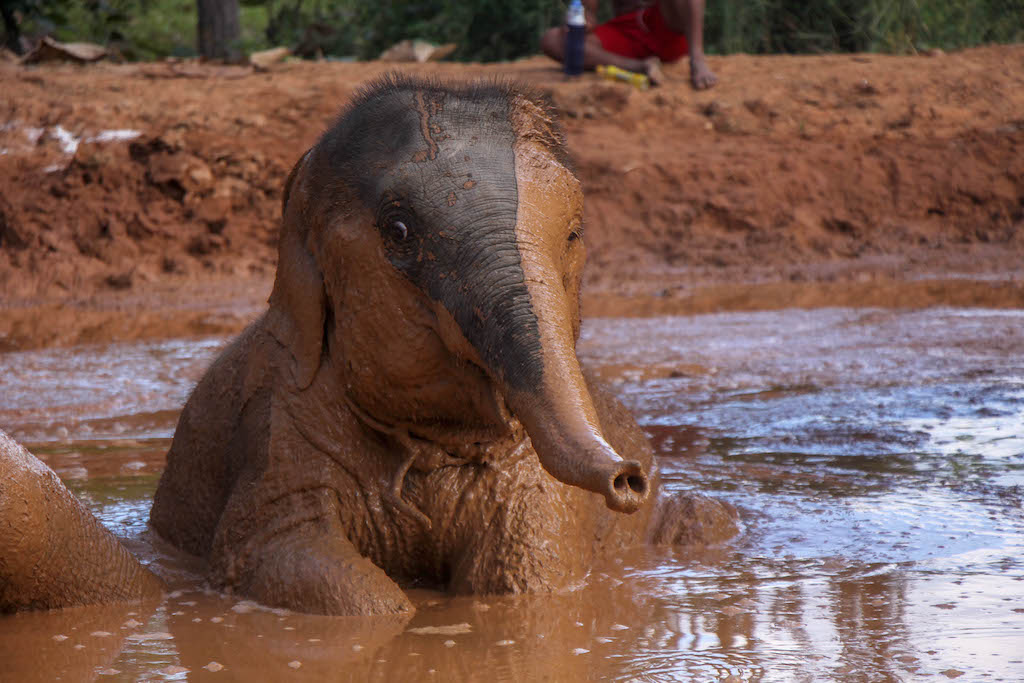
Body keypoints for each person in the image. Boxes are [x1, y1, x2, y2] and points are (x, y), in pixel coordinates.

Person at [540, 0, 717, 88]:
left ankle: (697, 59)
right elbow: (588, 14)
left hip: (666, 28)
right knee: (552, 39)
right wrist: (581, 21)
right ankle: (638, 66)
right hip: (624, 34)